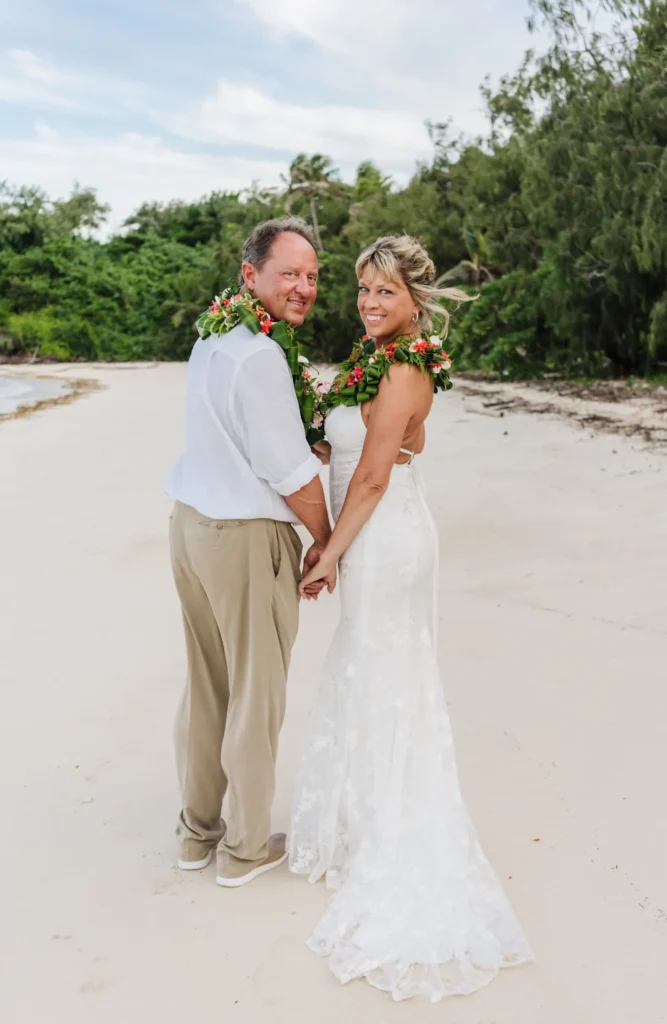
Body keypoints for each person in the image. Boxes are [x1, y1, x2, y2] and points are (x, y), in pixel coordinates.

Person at [290, 235, 534, 1001]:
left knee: (386, 671)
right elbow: (388, 442)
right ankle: (363, 815)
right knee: (369, 668)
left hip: (385, 537)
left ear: (414, 300)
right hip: (380, 531)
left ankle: (390, 829)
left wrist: (328, 550)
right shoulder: (379, 361)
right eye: (363, 289)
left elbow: (369, 476)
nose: (368, 303)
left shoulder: (400, 366)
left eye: (384, 292)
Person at [165, 217, 334, 888]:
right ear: (250, 277)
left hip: (190, 526)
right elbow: (286, 472)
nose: (303, 287)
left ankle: (195, 834)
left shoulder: (215, 338)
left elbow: (243, 434)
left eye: (313, 276)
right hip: (242, 538)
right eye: (288, 273)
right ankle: (244, 847)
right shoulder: (262, 356)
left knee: (207, 687)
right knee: (254, 695)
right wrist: (325, 542)